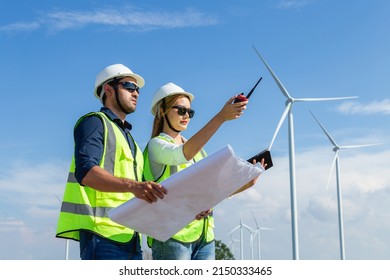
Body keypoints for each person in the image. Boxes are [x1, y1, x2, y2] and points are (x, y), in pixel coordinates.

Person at [56, 64, 167, 260]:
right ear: (108, 89)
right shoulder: (94, 122)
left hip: (130, 237)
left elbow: (142, 189)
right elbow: (87, 172)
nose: (136, 94)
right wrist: (134, 186)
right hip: (102, 235)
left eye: (138, 90)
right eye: (129, 87)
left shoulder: (130, 139)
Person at [143, 82, 264, 260]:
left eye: (190, 112)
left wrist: (246, 182)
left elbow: (212, 190)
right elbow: (182, 154)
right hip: (172, 236)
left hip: (204, 237)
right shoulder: (157, 145)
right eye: (181, 110)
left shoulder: (198, 152)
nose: (186, 116)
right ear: (162, 110)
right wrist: (220, 117)